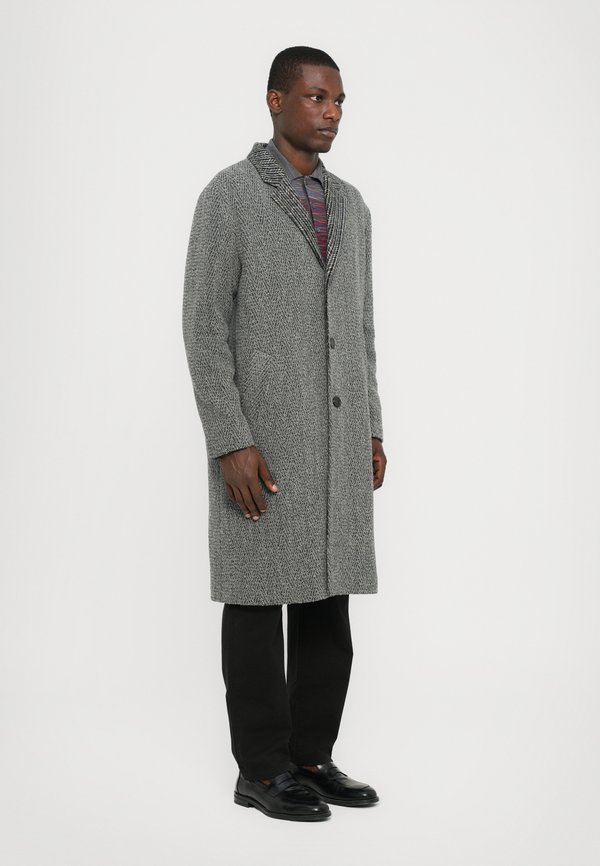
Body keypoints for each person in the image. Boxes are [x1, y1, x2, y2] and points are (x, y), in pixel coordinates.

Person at [182, 45, 387, 822]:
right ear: (275, 101)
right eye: (315, 97)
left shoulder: (352, 207)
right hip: (263, 442)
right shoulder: (229, 196)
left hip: (337, 435)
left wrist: (372, 427)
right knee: (257, 597)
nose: (331, 112)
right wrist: (229, 438)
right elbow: (204, 328)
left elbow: (361, 330)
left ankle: (311, 757)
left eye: (339, 100)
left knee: (329, 599)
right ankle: (261, 769)